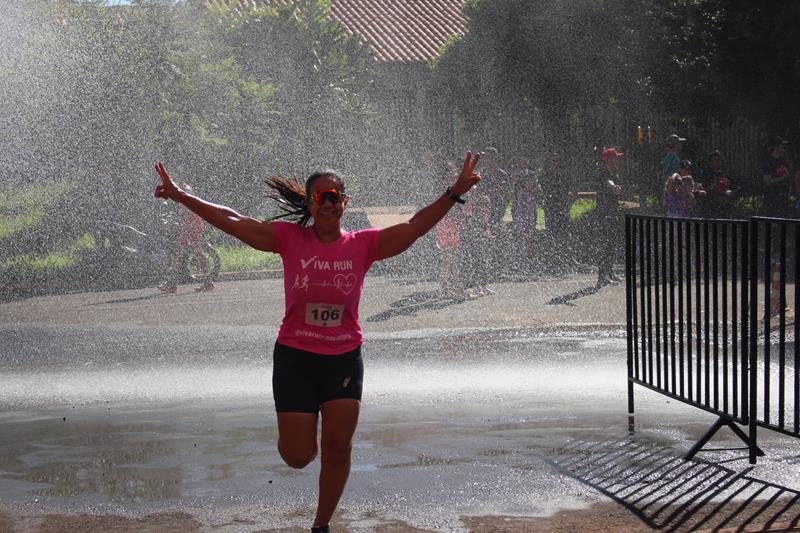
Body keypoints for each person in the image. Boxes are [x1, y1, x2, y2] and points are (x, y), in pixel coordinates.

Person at [153, 153, 481, 533]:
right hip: (295, 358)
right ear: (309, 203)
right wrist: (180, 196)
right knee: (297, 456)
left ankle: (321, 525)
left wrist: (454, 192)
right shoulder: (290, 239)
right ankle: (303, 437)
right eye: (320, 195)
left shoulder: (364, 245)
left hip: (342, 358)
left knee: (339, 447)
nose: (327, 202)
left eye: (334, 195)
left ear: (345, 203)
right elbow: (233, 221)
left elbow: (415, 224)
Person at [158, 182, 215, 293]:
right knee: (181, 255)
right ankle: (173, 284)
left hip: (192, 227)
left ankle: (207, 283)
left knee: (191, 254)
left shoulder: (184, 191)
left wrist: (180, 222)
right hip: (191, 226)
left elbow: (189, 210)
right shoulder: (182, 190)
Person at [595, 147, 625, 287]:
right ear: (607, 159)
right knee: (605, 244)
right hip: (604, 213)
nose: (618, 160)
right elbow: (608, 182)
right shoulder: (603, 173)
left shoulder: (615, 172)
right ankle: (602, 276)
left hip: (612, 212)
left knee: (612, 243)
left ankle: (609, 272)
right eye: (615, 157)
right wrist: (613, 187)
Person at [760, 136, 793, 217]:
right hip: (772, 199)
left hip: (783, 199)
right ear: (776, 147)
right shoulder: (768, 161)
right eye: (782, 145)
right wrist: (782, 178)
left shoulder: (783, 160)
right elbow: (767, 182)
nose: (784, 148)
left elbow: (787, 176)